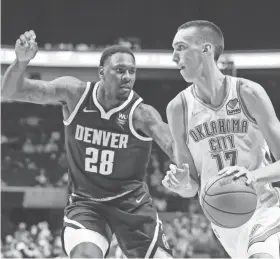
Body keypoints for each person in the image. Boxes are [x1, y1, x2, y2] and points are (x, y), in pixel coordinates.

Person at [2, 30, 174, 258]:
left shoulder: (142, 114)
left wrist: (187, 171)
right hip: (86, 204)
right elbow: (12, 90)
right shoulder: (75, 94)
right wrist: (21, 61)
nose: (127, 77)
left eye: (132, 71)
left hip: (132, 205)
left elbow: (172, 145)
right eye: (120, 70)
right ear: (101, 72)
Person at [162, 20, 280, 258]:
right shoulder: (178, 109)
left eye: (181, 47)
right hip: (222, 221)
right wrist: (182, 183)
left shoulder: (248, 93)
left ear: (206, 50)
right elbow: (191, 188)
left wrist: (252, 176)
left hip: (263, 208)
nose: (174, 57)